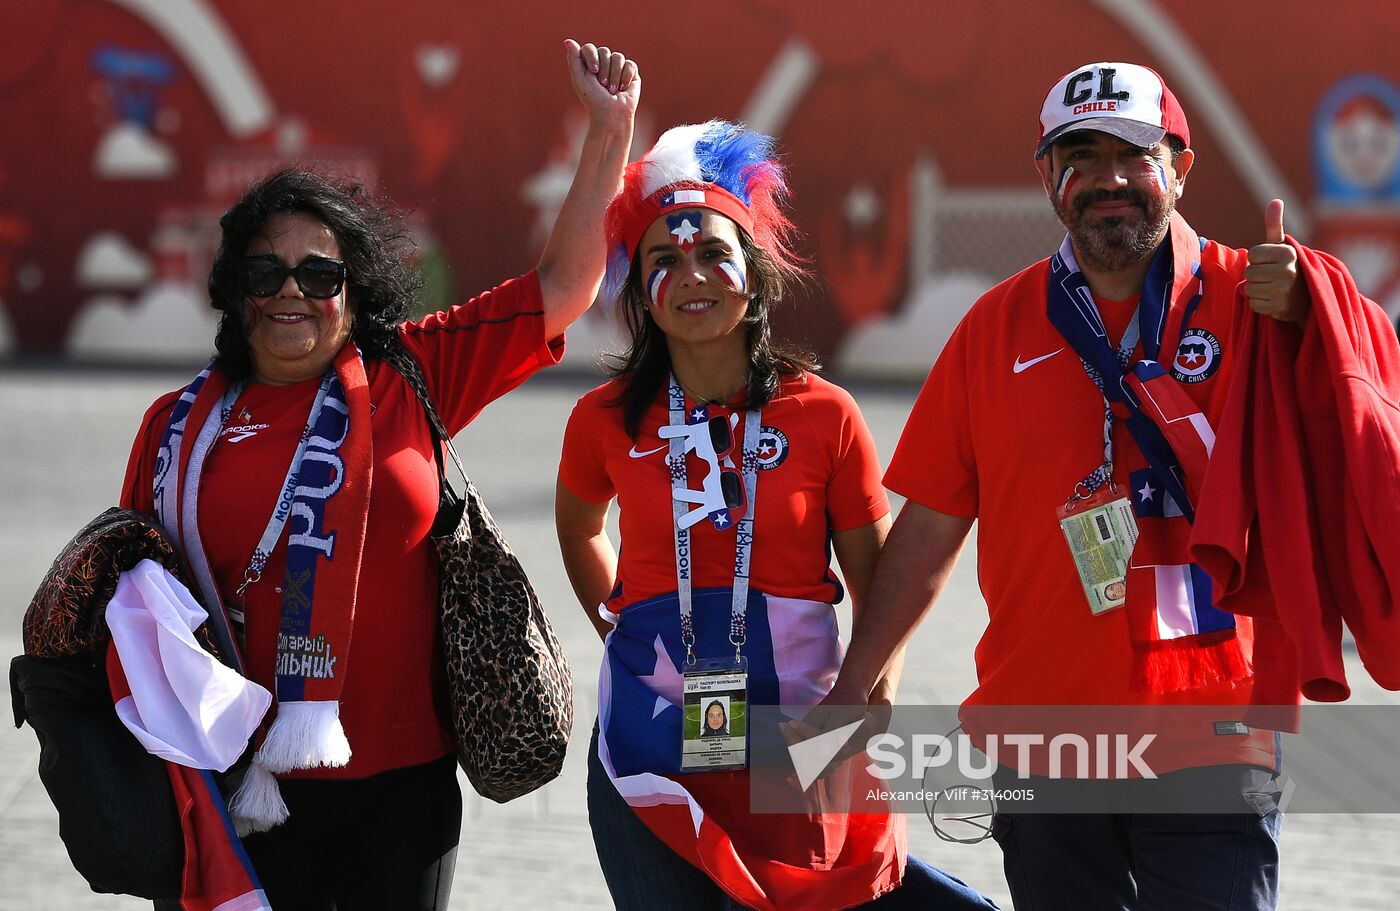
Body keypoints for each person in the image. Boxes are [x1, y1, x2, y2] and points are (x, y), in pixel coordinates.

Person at [818, 61, 1355, 911]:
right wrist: (853, 690)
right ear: (1047, 175)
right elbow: (928, 531)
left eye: (1136, 153)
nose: (1110, 178)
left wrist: (1315, 312)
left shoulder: (1257, 303)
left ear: (1180, 167)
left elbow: (1362, 427)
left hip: (1215, 725)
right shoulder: (992, 330)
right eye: (1083, 153)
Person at [117, 39, 638, 911]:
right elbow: (135, 606)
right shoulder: (173, 429)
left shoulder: (412, 376)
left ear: (354, 293)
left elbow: (564, 283)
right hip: (227, 781)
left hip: (401, 786)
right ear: (233, 288)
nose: (292, 290)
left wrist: (608, 131)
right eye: (265, 269)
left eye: (320, 272)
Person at [555, 120, 997, 911]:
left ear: (753, 274)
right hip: (650, 741)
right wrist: (624, 637)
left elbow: (880, 588)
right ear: (639, 290)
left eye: (713, 253)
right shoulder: (603, 418)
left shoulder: (825, 414)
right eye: (665, 260)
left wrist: (867, 703)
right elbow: (581, 527)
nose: (692, 275)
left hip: (800, 740)